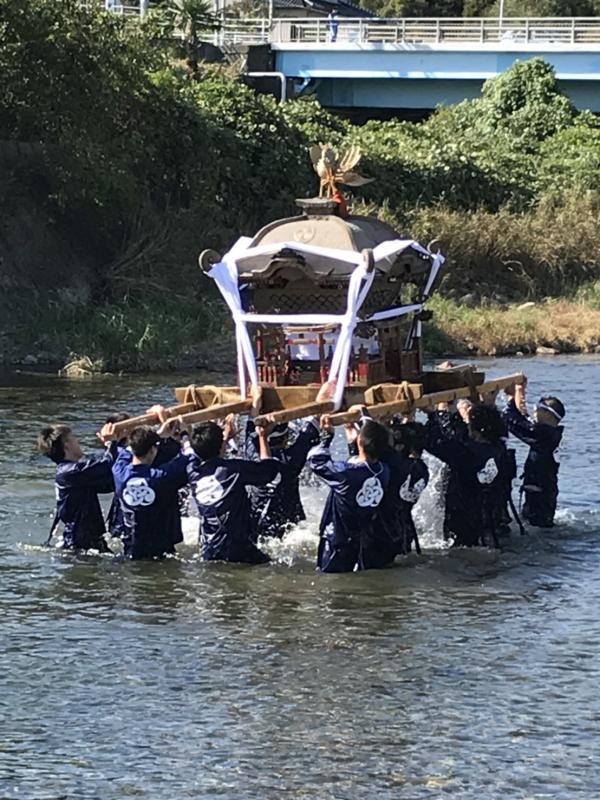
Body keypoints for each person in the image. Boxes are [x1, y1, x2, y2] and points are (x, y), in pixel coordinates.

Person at [187, 417, 281, 564]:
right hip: (238, 549)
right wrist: (263, 437)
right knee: (273, 566)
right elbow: (268, 472)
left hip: (209, 548)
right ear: (220, 447)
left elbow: (207, 456)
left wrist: (223, 439)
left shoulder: (192, 473)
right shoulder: (233, 470)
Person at [245, 385, 329, 539]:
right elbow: (317, 416)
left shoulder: (252, 455)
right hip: (287, 531)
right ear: (286, 438)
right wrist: (330, 384)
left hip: (254, 527)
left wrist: (256, 398)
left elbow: (251, 426)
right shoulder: (291, 459)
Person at [309, 415, 390, 573]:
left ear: (360, 442)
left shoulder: (345, 475)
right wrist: (359, 420)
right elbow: (359, 464)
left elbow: (316, 461)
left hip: (335, 539)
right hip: (359, 540)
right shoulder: (384, 471)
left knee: (328, 579)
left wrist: (326, 438)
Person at [424, 403, 506, 548]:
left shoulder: (467, 454)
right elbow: (460, 439)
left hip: (463, 519)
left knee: (460, 548)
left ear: (476, 431)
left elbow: (437, 443)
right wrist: (452, 413)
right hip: (487, 519)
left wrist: (436, 415)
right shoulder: (499, 450)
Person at [111, 421, 191, 560]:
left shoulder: (118, 472)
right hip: (160, 549)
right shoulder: (161, 476)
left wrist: (157, 435)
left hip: (131, 546)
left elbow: (126, 452)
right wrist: (184, 434)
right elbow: (190, 456)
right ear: (153, 450)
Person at [37, 422, 118, 551]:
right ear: (67, 445)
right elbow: (106, 465)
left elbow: (106, 484)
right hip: (78, 543)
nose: (78, 441)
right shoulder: (69, 472)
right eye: (74, 438)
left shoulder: (73, 472)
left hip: (87, 540)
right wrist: (111, 443)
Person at [503, 379, 565, 528]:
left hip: (540, 495)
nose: (534, 412)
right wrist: (518, 394)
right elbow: (523, 421)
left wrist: (513, 397)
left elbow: (512, 422)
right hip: (544, 492)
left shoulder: (544, 435)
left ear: (549, 415)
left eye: (538, 409)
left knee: (537, 526)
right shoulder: (552, 433)